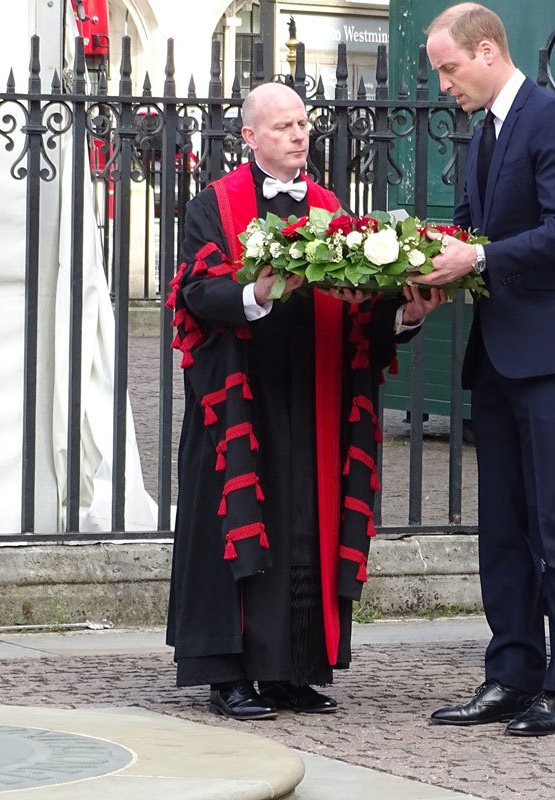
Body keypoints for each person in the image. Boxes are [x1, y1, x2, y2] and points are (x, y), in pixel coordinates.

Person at [165, 82, 445, 720]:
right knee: (233, 525)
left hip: (318, 395)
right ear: (250, 137)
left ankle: (294, 670)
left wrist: (403, 313)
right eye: (285, 126)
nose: (299, 135)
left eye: (304, 123)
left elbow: (361, 316)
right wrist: (258, 293)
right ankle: (229, 675)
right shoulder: (214, 206)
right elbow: (196, 295)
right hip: (242, 397)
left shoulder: (331, 211)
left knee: (307, 527)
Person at [415, 4, 555, 736]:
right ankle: (509, 675)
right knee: (500, 524)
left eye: (449, 68)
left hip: (553, 353)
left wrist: (476, 257)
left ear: (488, 51)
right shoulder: (484, 133)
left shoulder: (554, 119)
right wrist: (418, 264)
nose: (444, 85)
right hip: (500, 352)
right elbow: (473, 225)